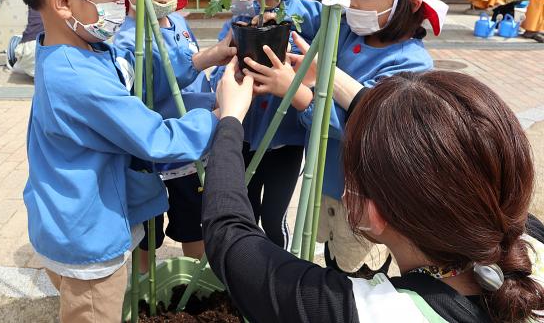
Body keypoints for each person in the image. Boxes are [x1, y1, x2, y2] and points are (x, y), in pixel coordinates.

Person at [0, 0, 240, 323]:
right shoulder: (78, 78)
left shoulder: (74, 49)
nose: (121, 3)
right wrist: (222, 116)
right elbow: (155, 138)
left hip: (71, 220)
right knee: (94, 311)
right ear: (63, 1)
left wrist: (199, 64)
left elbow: (138, 78)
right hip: (88, 238)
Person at [203, 67, 544, 322]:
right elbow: (442, 146)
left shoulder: (368, 312)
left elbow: (231, 239)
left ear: (374, 212)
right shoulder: (523, 237)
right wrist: (327, 70)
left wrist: (230, 119)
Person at [243, 0, 448, 276]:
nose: (354, 2)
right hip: (328, 182)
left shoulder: (411, 64)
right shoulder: (352, 27)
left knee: (359, 269)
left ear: (410, 3)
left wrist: (300, 91)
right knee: (332, 254)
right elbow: (312, 14)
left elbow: (363, 124)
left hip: (367, 198)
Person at [115, 0, 236, 271]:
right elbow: (148, 87)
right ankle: (143, 294)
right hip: (149, 153)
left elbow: (194, 81)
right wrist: (206, 58)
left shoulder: (180, 24)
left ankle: (196, 287)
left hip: (189, 147)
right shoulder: (126, 39)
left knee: (192, 224)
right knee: (146, 234)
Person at [209, 0, 315, 249]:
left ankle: (281, 264)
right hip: (247, 137)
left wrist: (273, 1)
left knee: (273, 217)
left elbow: (319, 19)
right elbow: (218, 80)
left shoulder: (291, 15)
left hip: (286, 141)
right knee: (249, 211)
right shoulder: (233, 29)